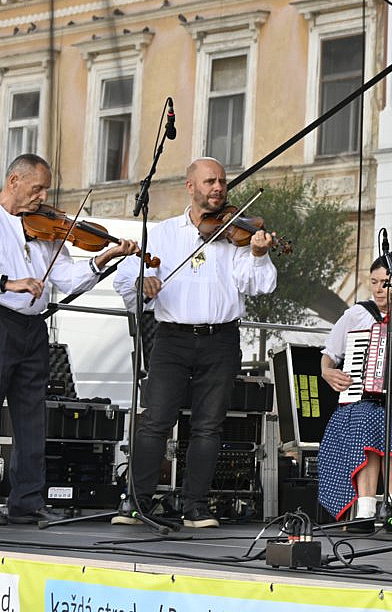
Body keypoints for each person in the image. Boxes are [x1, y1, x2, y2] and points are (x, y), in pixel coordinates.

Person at [0, 154, 138, 525]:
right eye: (37, 188)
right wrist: (8, 283)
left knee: (32, 416)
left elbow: (66, 278)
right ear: (14, 181)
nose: (43, 197)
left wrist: (103, 258)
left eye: (46, 190)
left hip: (32, 327)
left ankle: (27, 499)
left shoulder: (45, 229)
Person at [113, 157, 277, 528]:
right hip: (172, 338)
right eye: (209, 181)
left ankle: (195, 506)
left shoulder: (236, 233)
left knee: (208, 426)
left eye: (222, 181)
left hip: (221, 339)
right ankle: (136, 502)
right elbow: (126, 277)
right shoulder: (164, 233)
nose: (218, 188)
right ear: (191, 187)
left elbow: (258, 285)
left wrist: (258, 254)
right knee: (155, 420)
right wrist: (142, 283)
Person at [316, 253, 392, 526]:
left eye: (385, 283)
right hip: (362, 399)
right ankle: (365, 510)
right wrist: (327, 372)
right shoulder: (357, 314)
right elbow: (330, 355)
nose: (378, 289)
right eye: (373, 282)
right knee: (367, 418)